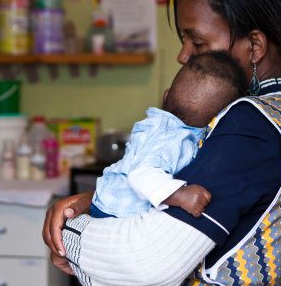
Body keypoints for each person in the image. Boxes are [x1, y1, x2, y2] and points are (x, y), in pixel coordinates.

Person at [43, 0, 281, 286]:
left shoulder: (251, 125)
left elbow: (146, 264)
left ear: (254, 47)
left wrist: (72, 234)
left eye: (197, 43)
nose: (184, 56)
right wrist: (99, 203)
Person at [91, 51, 248, 219]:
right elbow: (141, 175)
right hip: (118, 212)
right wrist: (181, 195)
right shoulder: (175, 137)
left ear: (165, 96)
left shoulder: (160, 126)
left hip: (109, 201)